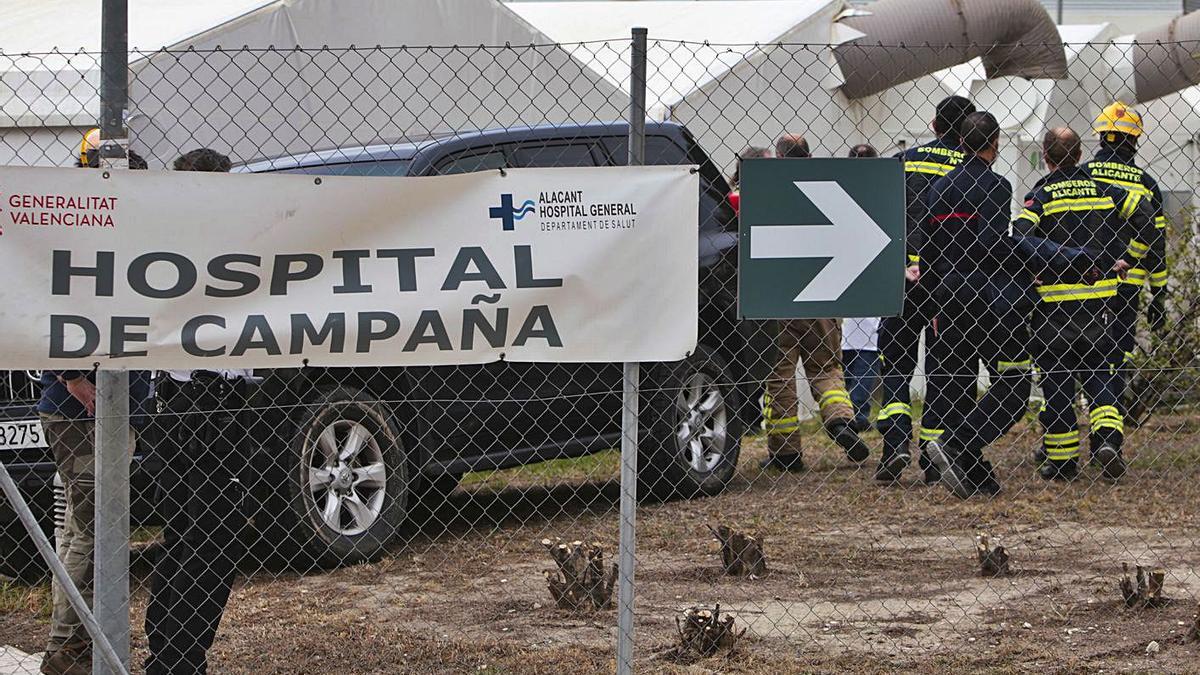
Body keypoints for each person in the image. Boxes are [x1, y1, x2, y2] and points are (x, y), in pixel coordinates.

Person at [921, 112, 1096, 499]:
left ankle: (974, 473)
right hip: (991, 301)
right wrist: (1061, 257)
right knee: (1014, 387)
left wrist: (934, 297)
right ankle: (961, 445)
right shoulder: (995, 186)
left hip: (948, 299)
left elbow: (930, 250)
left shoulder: (938, 189)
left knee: (955, 384)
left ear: (960, 142)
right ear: (995, 143)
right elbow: (996, 245)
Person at [39, 130, 151, 675]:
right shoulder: (73, 223)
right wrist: (72, 375)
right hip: (79, 407)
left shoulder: (116, 222)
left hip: (109, 401)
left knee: (76, 529)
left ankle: (73, 642)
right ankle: (67, 649)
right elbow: (46, 299)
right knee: (90, 528)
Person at [144, 147, 252, 675]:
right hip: (203, 402)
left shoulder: (173, 239)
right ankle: (180, 658)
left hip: (183, 401)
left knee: (189, 531)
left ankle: (168, 650)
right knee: (213, 535)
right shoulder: (204, 244)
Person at [1016, 128, 1157, 483]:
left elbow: (1019, 236)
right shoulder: (1106, 191)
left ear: (1046, 157)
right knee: (1102, 376)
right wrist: (1125, 257)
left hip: (1053, 311)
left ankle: (1062, 463)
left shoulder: (1042, 195)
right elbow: (1147, 220)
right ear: (1081, 155)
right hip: (1101, 308)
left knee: (1058, 385)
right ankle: (1108, 442)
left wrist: (1035, 269)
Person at [874, 96, 975, 484]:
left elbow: (882, 212)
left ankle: (895, 444)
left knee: (896, 359)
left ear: (933, 125)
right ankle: (933, 462)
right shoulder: (970, 170)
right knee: (942, 367)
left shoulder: (904, 161)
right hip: (948, 280)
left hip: (903, 275)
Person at [760, 133, 871, 471]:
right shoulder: (828, 187)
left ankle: (787, 453)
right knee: (826, 369)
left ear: (778, 159)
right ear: (809, 158)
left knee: (779, 376)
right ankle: (840, 421)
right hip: (822, 295)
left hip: (778, 298)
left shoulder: (768, 191)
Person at [1083, 102, 1170, 419]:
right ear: (1134, 141)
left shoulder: (1082, 175)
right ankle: (1111, 419)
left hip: (1084, 281)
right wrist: (1159, 295)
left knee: (1079, 351)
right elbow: (1156, 244)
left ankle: (1083, 412)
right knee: (1116, 353)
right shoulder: (1146, 184)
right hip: (1126, 286)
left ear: (1101, 137)